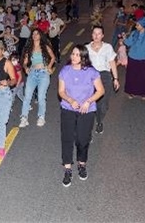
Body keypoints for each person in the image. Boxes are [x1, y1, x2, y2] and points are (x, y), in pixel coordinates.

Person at [58, 45, 105, 186]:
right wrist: (70, 100)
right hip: (68, 109)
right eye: (73, 54)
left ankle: (82, 164)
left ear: (83, 57)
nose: (74, 57)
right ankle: (67, 169)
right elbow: (61, 91)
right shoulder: (65, 71)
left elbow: (100, 90)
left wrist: (88, 101)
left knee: (82, 139)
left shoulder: (91, 72)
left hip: (87, 110)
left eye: (78, 55)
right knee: (67, 138)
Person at [86, 26, 120, 134]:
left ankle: (99, 121)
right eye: (94, 33)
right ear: (92, 35)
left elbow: (112, 63)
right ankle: (89, 125)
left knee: (103, 104)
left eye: (99, 33)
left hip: (104, 76)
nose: (96, 35)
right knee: (90, 101)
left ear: (102, 36)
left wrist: (115, 78)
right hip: (90, 76)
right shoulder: (86, 48)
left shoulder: (108, 47)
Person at [19, 29, 56, 128]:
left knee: (41, 96)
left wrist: (49, 66)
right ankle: (24, 117)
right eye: (33, 34)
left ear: (40, 36)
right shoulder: (29, 48)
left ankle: (41, 117)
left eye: (37, 33)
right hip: (32, 73)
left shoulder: (45, 47)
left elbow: (53, 57)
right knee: (27, 96)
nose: (35, 35)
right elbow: (25, 62)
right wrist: (26, 68)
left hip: (43, 73)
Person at [123, 17, 145, 99]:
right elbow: (129, 43)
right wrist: (124, 38)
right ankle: (131, 92)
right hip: (133, 58)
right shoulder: (134, 33)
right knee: (132, 76)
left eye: (138, 25)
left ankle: (144, 93)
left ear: (144, 25)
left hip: (144, 58)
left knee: (144, 77)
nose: (136, 26)